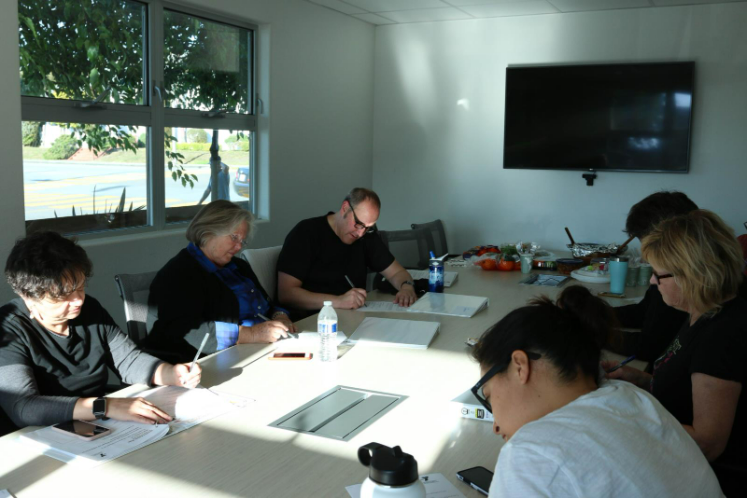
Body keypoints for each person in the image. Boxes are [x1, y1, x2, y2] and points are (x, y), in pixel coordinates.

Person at [471, 285, 723, 498]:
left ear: (519, 366)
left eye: (489, 395)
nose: (495, 426)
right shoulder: (632, 397)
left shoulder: (530, 455)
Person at [0, 232, 200, 436]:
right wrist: (104, 406)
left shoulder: (90, 310)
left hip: (97, 425)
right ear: (28, 296)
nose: (78, 300)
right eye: (64, 296)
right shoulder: (7, 328)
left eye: (80, 287)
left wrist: (169, 373)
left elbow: (128, 360)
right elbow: (23, 407)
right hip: (37, 434)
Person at [604, 210, 746, 480]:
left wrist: (626, 423)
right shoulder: (702, 311)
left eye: (659, 274)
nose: (652, 282)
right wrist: (641, 379)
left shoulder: (723, 335)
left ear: (693, 274)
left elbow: (707, 445)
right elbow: (686, 389)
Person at [146, 200, 296, 363]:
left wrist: (280, 316)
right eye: (234, 237)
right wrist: (252, 334)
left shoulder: (239, 267)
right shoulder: (178, 274)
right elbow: (191, 332)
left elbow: (264, 305)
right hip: (210, 363)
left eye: (242, 241)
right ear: (208, 231)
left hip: (261, 350)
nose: (239, 246)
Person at [277, 188, 417, 320]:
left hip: (354, 318)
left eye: (368, 228)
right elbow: (286, 294)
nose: (360, 233)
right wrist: (338, 301)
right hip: (316, 322)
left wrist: (406, 287)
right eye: (358, 223)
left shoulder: (367, 237)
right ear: (345, 208)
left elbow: (396, 273)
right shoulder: (306, 233)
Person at [614, 191, 698, 363]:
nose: (644, 255)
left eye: (645, 242)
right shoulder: (673, 273)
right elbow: (644, 312)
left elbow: (650, 347)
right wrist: (593, 314)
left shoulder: (678, 281)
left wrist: (593, 332)